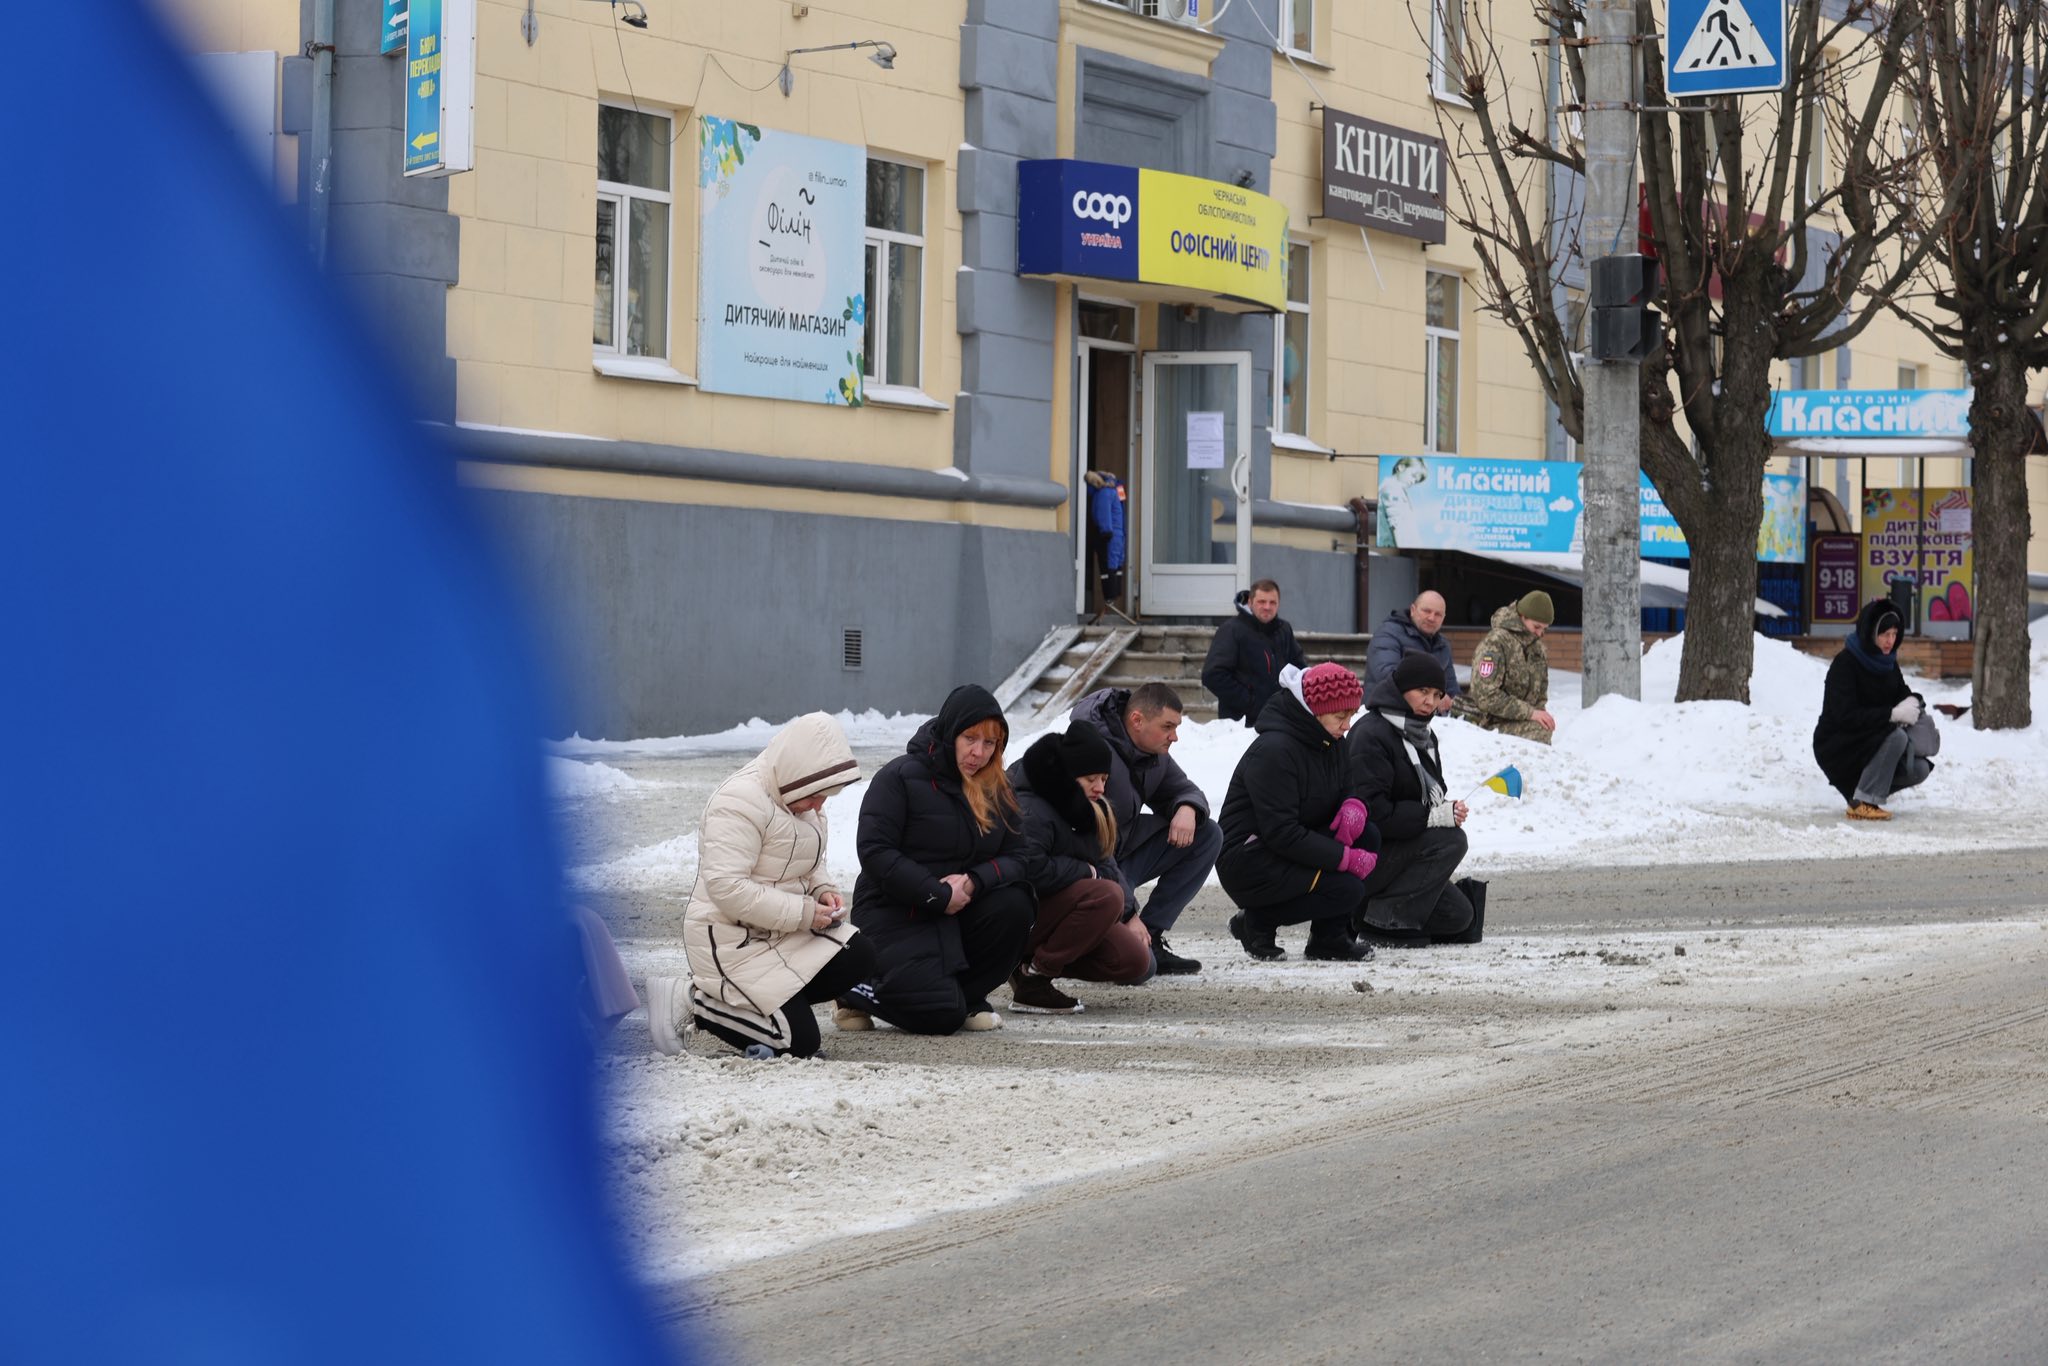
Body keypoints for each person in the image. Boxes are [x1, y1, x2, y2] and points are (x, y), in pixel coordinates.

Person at [646, 713, 876, 1059]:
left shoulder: (804, 797)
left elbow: (809, 862)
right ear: (796, 774)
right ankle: (695, 1001)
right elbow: (727, 887)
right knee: (799, 1045)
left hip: (779, 933)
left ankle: (767, 1006)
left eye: (826, 797)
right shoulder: (738, 802)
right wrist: (803, 912)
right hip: (731, 944)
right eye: (816, 796)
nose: (819, 805)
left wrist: (821, 889)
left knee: (858, 953)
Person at [835, 685, 1035, 1034]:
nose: (979, 752)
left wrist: (975, 880)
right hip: (896, 911)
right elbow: (875, 852)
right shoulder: (899, 777)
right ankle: (852, 985)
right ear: (950, 733)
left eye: (990, 743)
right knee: (939, 1016)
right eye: (970, 738)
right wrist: (935, 894)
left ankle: (967, 997)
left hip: (958, 913)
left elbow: (1019, 856)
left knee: (1016, 904)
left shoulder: (999, 788)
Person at [1217, 663, 1380, 962]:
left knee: (1367, 834)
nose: (1347, 726)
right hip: (1250, 859)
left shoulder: (1332, 741)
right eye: (1340, 716)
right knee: (1347, 889)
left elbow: (1348, 786)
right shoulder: (1274, 750)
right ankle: (1256, 922)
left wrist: (1353, 806)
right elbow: (1281, 832)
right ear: (1314, 710)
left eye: (1351, 716)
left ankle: (1329, 939)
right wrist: (1343, 858)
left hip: (1290, 843)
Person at [1070, 682, 1225, 974]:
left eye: (1176, 727)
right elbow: (1087, 846)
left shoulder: (1152, 752)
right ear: (1137, 720)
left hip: (1121, 854)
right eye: (1168, 727)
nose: (1175, 737)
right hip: (1092, 870)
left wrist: (1187, 808)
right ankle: (1081, 951)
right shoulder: (1091, 751)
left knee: (1207, 835)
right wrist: (1129, 913)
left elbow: (1183, 788)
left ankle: (1150, 936)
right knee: (1140, 970)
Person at [1004, 722, 1157, 1013]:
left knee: (1136, 960)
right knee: (1105, 895)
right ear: (1067, 775)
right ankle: (1035, 979)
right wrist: (1086, 873)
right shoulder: (1032, 808)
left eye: (1104, 778)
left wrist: (1131, 914)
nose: (1100, 788)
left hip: (1062, 914)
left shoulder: (1083, 806)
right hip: (1022, 917)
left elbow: (1105, 861)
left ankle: (1025, 966)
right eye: (1091, 779)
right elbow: (1030, 870)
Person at [1347, 651, 1486, 946]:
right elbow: (1370, 814)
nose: (1430, 702)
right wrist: (1431, 817)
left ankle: (1370, 914)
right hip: (1365, 858)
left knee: (1460, 917)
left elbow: (1431, 790)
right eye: (1422, 691)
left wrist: (1444, 808)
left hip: (1400, 851)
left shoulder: (1422, 734)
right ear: (1401, 689)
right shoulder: (1371, 734)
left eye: (1437, 694)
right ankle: (1382, 922)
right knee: (1452, 840)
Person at [1813, 598, 1937, 820]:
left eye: (1894, 634)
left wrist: (1913, 701)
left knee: (1919, 769)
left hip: (1872, 740)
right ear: (1870, 632)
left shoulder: (1887, 662)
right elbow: (1845, 716)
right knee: (1897, 736)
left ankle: (1864, 793)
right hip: (1840, 743)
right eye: (1884, 634)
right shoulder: (1846, 664)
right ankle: (1862, 802)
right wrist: (1891, 714)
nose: (1890, 641)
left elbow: (1902, 691)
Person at [1202, 579, 1306, 727]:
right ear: (1250, 602)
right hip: (1240, 725)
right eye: (1261, 602)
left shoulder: (1284, 629)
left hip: (1281, 719)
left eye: (1272, 602)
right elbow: (1213, 675)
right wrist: (1251, 703)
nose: (1267, 607)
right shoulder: (1232, 630)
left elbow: (1299, 669)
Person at [1464, 590, 1558, 744]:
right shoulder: (1496, 643)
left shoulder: (1537, 649)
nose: (1540, 633)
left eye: (1545, 629)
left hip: (1518, 720)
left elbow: (1540, 695)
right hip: (1487, 723)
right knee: (1538, 732)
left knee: (1542, 728)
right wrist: (1530, 713)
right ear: (1522, 617)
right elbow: (1485, 696)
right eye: (1537, 627)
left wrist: (1540, 714)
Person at [1366, 589, 1461, 713]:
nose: (1432, 618)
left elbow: (1451, 687)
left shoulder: (1443, 645)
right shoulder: (1388, 634)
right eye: (1426, 611)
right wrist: (1435, 696)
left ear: (1444, 618)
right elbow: (1386, 675)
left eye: (1438, 614)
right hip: (1385, 713)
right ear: (1413, 610)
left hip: (1429, 719)